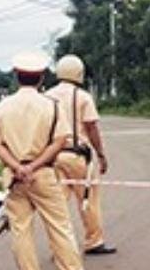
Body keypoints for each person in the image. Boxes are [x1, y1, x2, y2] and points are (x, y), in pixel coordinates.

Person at [0, 51, 100, 270]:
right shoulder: (50, 106)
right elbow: (60, 140)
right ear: (40, 78)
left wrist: (17, 167)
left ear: (17, 76)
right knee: (60, 227)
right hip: (43, 174)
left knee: (21, 231)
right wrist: (34, 165)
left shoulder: (2, 107)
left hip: (14, 178)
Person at [47, 54, 116, 256]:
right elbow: (91, 127)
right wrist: (101, 154)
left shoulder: (47, 97)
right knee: (88, 200)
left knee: (57, 206)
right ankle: (93, 241)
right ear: (79, 73)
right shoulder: (83, 97)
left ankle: (59, 247)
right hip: (78, 157)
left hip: (52, 157)